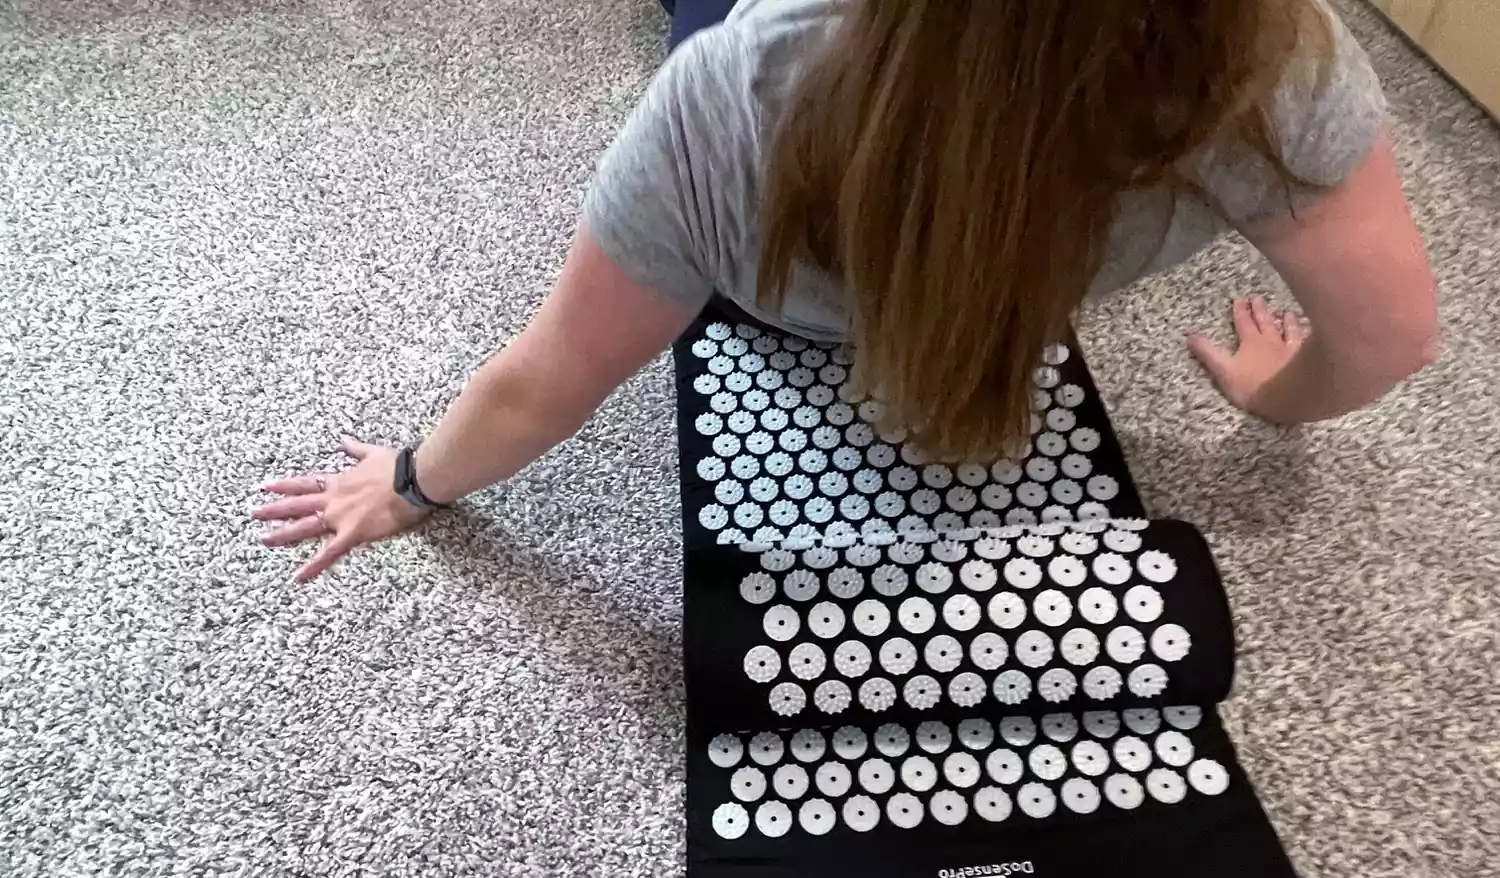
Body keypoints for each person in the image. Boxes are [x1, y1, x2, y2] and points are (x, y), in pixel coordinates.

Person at [256, 0, 1438, 582]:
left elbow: (551, 374)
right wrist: (1273, 400)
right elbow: (1390, 342)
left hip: (780, 291)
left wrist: (413, 482)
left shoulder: (722, 91)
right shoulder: (1279, 59)